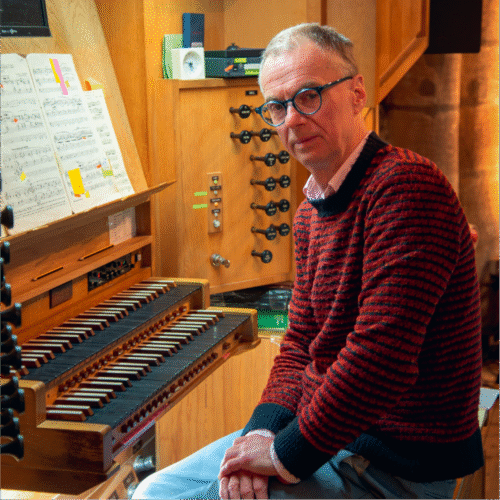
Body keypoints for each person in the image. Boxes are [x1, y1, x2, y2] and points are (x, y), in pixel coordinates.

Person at [133, 23, 484, 500]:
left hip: (394, 463)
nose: (293, 120)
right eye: (277, 107)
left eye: (309, 96)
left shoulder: (406, 187)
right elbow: (299, 343)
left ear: (357, 93)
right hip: (332, 438)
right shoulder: (309, 214)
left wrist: (283, 455)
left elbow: (380, 359)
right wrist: (260, 434)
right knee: (155, 488)